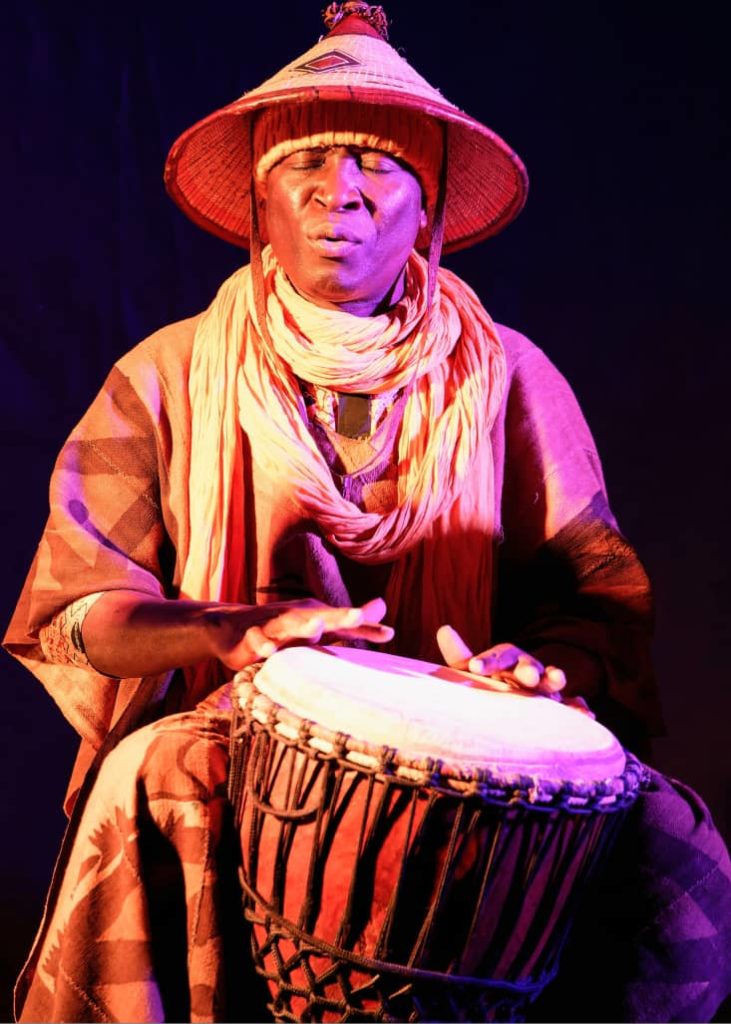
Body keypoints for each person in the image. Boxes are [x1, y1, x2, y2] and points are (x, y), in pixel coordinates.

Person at [4, 2, 730, 1021]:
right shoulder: (167, 374)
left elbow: (597, 604)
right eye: (303, 162)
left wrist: (533, 668)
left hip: (474, 750)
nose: (336, 190)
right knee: (150, 772)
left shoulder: (510, 377)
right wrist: (223, 627)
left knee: (669, 838)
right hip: (235, 731)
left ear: (425, 213)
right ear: (258, 202)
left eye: (376, 165)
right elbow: (78, 616)